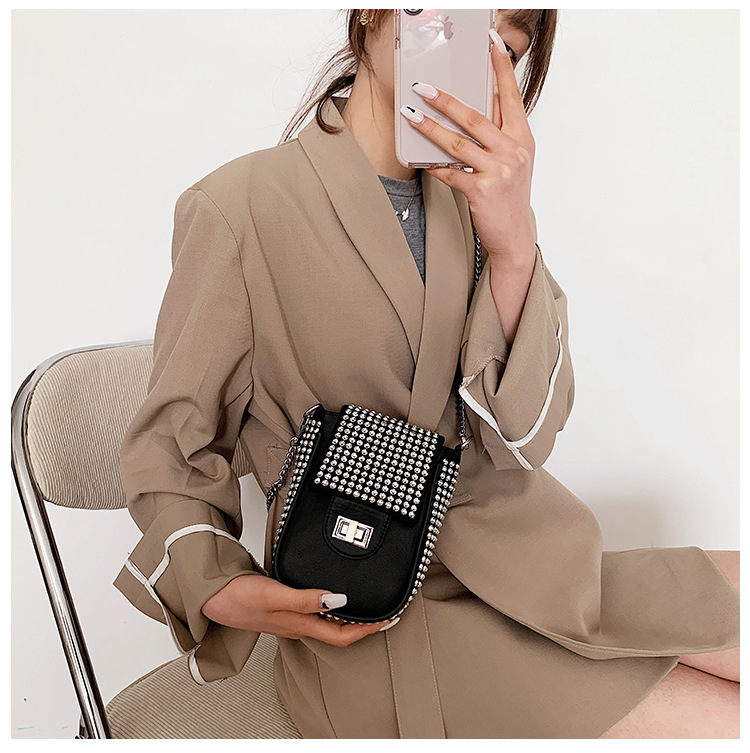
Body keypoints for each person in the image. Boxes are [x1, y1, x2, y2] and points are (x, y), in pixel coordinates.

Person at [113, 9, 740, 739]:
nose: (465, 52)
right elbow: (172, 445)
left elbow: (525, 436)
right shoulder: (236, 209)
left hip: (527, 562)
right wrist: (217, 584)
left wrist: (514, 245)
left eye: (499, 45)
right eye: (446, 15)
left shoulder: (481, 199)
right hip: (379, 606)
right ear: (373, 13)